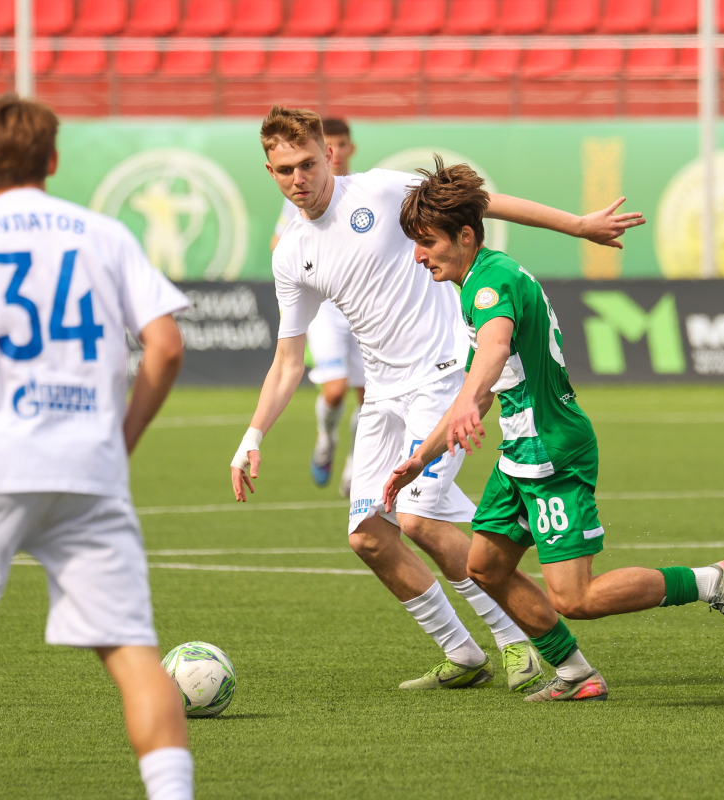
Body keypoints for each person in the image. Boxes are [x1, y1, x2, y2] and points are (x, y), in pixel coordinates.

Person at [231, 106, 644, 692]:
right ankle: (463, 653)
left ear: (329, 155)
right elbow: (288, 360)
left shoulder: (380, 190)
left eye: (307, 164)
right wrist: (252, 436)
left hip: (445, 375)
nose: (298, 178)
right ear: (269, 172)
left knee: (420, 519)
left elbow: (478, 205)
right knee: (368, 536)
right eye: (283, 170)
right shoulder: (290, 253)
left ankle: (517, 642)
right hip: (382, 395)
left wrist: (576, 225)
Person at [0, 94, 193, 800]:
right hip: (90, 469)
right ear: (52, 161)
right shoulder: (105, 234)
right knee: (131, 650)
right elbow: (166, 346)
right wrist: (120, 439)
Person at [385, 158, 724, 702]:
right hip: (522, 450)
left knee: (575, 598)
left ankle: (710, 580)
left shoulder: (490, 285)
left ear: (464, 236)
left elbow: (493, 349)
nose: (419, 256)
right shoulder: (481, 279)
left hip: (553, 451)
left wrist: (466, 401)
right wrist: (423, 456)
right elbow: (487, 386)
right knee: (484, 567)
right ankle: (576, 673)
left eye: (427, 243)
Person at [270, 118, 364, 496]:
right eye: (331, 144)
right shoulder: (301, 191)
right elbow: (279, 245)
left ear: (350, 148)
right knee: (335, 391)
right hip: (326, 307)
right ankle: (326, 439)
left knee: (370, 398)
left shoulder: (364, 191)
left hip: (365, 307)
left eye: (342, 144)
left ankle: (357, 464)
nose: (336, 152)